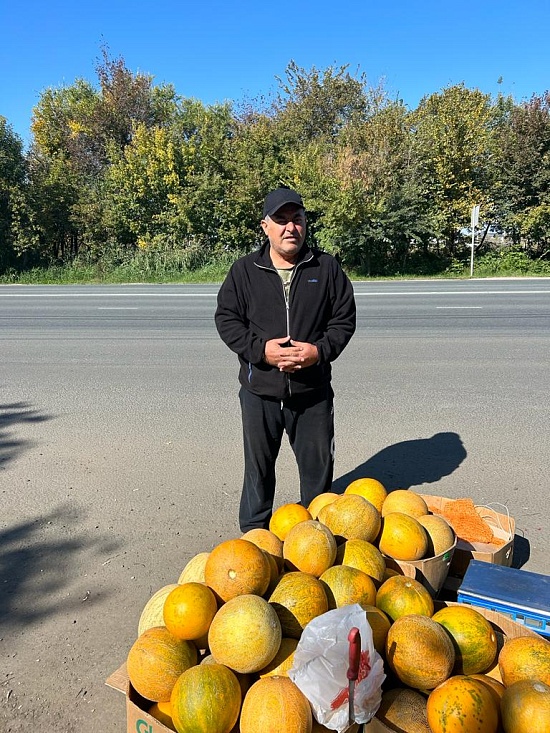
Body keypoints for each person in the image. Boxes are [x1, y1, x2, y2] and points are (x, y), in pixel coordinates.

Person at [215, 187, 356, 532]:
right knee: (258, 471)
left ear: (305, 223)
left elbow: (344, 319)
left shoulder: (326, 269)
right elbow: (227, 319)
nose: (290, 227)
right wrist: (261, 350)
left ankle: (319, 536)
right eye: (281, 220)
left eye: (297, 219)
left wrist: (318, 352)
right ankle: (254, 536)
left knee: (317, 472)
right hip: (259, 391)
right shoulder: (244, 271)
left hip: (312, 394)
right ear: (265, 226)